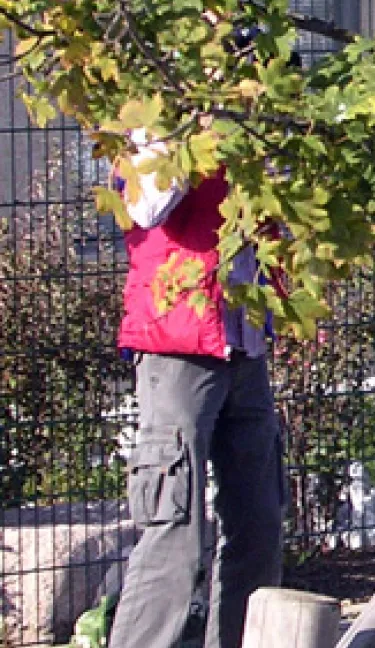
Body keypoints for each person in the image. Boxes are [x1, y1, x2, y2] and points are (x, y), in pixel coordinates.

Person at [107, 124, 284, 648]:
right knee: (175, 528)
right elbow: (146, 208)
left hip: (244, 343)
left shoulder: (251, 122)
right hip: (176, 347)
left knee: (259, 524)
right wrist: (193, 135)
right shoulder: (153, 122)